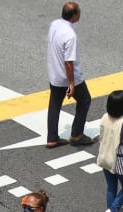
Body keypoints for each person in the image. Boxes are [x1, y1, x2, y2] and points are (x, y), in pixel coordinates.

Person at [46, 2, 92, 148]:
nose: (80, 14)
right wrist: (72, 84)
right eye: (79, 12)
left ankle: (52, 137)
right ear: (74, 16)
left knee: (54, 104)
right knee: (85, 100)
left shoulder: (54, 24)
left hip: (54, 75)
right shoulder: (70, 35)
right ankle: (77, 134)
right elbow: (69, 63)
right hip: (69, 78)